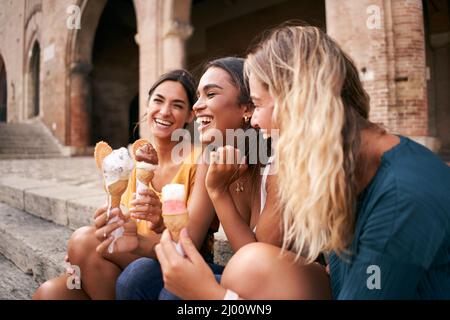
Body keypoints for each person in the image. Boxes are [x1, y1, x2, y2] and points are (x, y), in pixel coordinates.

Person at [156, 24, 450, 300]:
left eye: (257, 105)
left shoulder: (403, 197)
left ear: (297, 101)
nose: (254, 122)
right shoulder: (342, 167)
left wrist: (212, 297)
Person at [115, 57, 300, 300]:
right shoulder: (210, 158)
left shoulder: (276, 166)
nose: (196, 106)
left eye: (210, 94)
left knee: (174, 295)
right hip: (245, 274)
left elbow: (254, 263)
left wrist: (218, 191)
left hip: (282, 286)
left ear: (247, 108)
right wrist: (134, 240)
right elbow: (187, 240)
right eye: (198, 96)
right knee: (135, 276)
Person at [33, 69, 217, 299]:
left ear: (190, 115)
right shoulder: (128, 160)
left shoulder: (201, 160)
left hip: (170, 263)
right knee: (48, 293)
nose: (165, 111)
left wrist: (158, 220)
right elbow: (116, 223)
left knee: (83, 241)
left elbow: (190, 243)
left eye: (177, 105)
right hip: (127, 258)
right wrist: (90, 249)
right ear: (147, 104)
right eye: (158, 101)